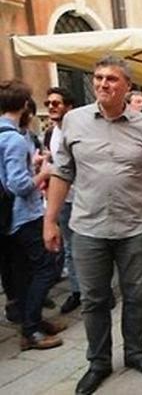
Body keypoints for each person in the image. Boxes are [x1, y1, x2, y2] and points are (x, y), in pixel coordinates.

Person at [43, 56, 142, 395]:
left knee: (135, 297)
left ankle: (135, 353)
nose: (102, 84)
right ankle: (98, 362)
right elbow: (62, 173)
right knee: (94, 300)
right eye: (98, 78)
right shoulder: (74, 120)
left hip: (133, 228)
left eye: (112, 79)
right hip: (87, 228)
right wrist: (49, 220)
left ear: (127, 86)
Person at [0, 80, 61, 350]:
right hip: (24, 215)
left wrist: (31, 164)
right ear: (25, 105)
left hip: (9, 219)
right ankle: (32, 328)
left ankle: (30, 320)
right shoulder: (13, 138)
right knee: (48, 266)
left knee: (24, 272)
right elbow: (19, 185)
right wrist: (44, 173)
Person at [45, 87, 80, 314]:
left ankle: (99, 291)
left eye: (56, 103)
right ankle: (77, 291)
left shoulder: (78, 129)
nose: (51, 107)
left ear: (68, 107)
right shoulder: (50, 134)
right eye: (48, 103)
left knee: (93, 248)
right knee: (69, 248)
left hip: (84, 197)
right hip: (65, 200)